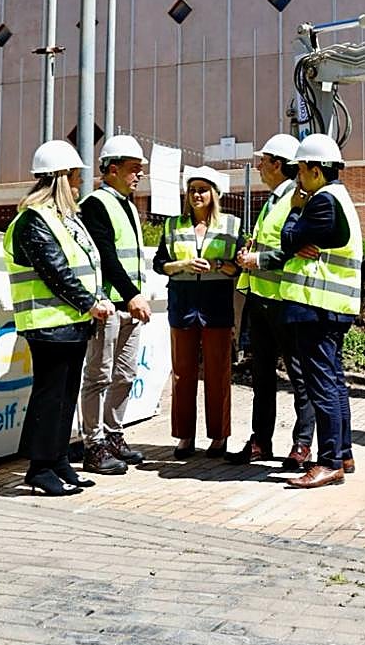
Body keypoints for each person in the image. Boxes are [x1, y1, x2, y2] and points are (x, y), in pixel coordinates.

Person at [3, 139, 115, 496]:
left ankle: (58, 460)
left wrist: (92, 302)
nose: (79, 183)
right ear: (60, 177)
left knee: (65, 395)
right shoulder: (33, 221)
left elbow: (79, 267)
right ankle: (39, 468)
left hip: (71, 323)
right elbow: (56, 271)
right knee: (50, 395)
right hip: (48, 324)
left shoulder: (65, 219)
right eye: (74, 176)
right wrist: (90, 303)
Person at [273, 133, 363, 489]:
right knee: (335, 382)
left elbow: (289, 239)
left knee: (322, 385)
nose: (297, 177)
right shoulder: (339, 197)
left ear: (314, 169)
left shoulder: (322, 202)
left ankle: (328, 462)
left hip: (318, 307)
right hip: (331, 307)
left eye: (300, 169)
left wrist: (295, 210)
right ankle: (342, 453)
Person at [228, 133, 316, 468]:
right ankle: (260, 441)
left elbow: (298, 248)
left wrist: (258, 260)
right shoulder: (272, 200)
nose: (259, 166)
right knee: (261, 376)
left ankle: (302, 444)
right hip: (262, 300)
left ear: (277, 164)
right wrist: (249, 254)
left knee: (298, 376)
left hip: (285, 302)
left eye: (263, 160)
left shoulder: (298, 198)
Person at [153, 166, 243, 459]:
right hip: (183, 304)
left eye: (203, 189)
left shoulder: (232, 225)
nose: (196, 195)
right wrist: (183, 265)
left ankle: (219, 436)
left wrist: (217, 265)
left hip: (216, 305)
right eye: (192, 190)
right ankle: (184, 436)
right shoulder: (172, 226)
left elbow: (239, 267)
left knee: (218, 373)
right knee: (182, 374)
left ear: (215, 194)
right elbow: (160, 264)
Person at [77, 135, 152, 475]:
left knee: (124, 375)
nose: (138, 175)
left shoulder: (128, 206)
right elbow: (106, 256)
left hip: (129, 307)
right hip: (109, 305)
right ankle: (92, 445)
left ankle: (113, 434)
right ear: (111, 169)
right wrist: (131, 293)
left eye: (140, 170)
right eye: (133, 169)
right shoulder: (95, 204)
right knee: (99, 376)